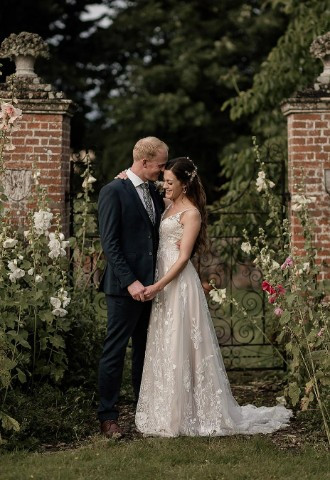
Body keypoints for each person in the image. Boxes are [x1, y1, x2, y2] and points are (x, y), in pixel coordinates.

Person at [135, 156, 292, 437]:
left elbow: (183, 258)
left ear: (185, 184)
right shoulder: (168, 204)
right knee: (167, 341)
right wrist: (126, 175)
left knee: (184, 343)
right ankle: (168, 410)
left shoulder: (191, 213)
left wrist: (158, 286)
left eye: (170, 182)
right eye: (165, 181)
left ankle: (195, 412)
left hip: (178, 284)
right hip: (163, 279)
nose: (165, 186)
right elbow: (144, 185)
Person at [97, 136, 168, 437]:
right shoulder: (113, 191)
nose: (163, 172)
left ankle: (144, 408)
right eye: (160, 166)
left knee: (145, 350)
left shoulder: (154, 190)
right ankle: (108, 416)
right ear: (144, 162)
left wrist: (150, 282)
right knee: (115, 351)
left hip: (152, 287)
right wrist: (132, 282)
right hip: (124, 288)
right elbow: (110, 245)